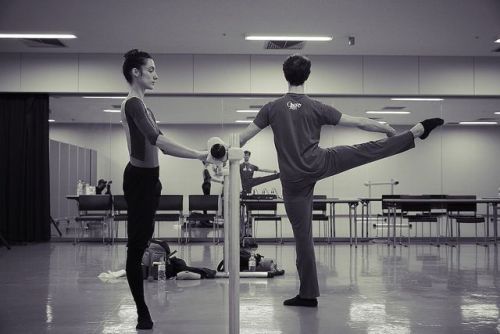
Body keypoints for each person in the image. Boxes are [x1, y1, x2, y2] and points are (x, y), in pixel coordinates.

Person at [238, 54, 444, 308]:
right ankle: (416, 132)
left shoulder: (271, 108)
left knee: (303, 239)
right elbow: (356, 121)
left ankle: (308, 295)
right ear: (307, 76)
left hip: (292, 180)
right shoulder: (317, 107)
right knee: (364, 150)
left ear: (285, 76)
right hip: (320, 163)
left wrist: (216, 152)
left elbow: (243, 137)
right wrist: (385, 130)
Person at [120, 49, 207, 330]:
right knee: (136, 248)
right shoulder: (133, 104)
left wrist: (197, 154)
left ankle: (143, 304)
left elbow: (162, 145)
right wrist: (198, 154)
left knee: (144, 240)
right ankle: (142, 312)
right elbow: (157, 140)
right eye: (151, 69)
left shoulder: (146, 106)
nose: (156, 75)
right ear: (136, 72)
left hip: (151, 179)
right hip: (139, 181)